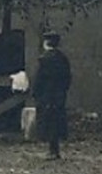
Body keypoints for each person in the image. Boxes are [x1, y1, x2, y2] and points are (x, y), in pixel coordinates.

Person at [31, 32, 73, 160]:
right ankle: (55, 149)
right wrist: (63, 90)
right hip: (59, 95)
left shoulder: (44, 59)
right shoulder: (63, 58)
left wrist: (36, 92)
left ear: (45, 43)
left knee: (48, 121)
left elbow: (39, 79)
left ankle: (52, 151)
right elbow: (68, 78)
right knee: (56, 120)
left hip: (47, 95)